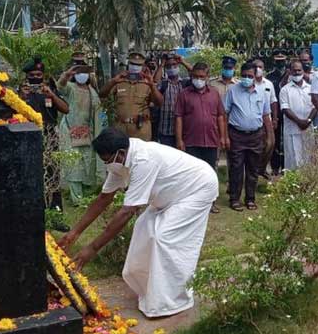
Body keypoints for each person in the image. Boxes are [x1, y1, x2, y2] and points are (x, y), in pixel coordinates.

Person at [58, 128, 218, 318]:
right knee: (143, 229)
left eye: (108, 160)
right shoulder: (118, 160)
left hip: (196, 188)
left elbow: (127, 212)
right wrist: (74, 232)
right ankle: (149, 289)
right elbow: (104, 198)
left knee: (163, 238)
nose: (107, 165)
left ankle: (171, 301)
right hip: (170, 194)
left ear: (121, 153)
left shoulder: (143, 160)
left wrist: (92, 249)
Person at [174, 62, 227, 214]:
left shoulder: (214, 93)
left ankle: (210, 203)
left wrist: (223, 137)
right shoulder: (184, 94)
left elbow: (220, 116)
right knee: (191, 174)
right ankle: (192, 204)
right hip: (191, 141)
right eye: (195, 76)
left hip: (211, 140)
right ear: (191, 77)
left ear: (207, 77)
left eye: (202, 77)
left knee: (210, 173)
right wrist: (179, 140)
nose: (198, 79)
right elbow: (178, 118)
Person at [223, 61, 274, 211]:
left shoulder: (261, 92)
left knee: (253, 169)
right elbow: (224, 114)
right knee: (236, 168)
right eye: (244, 75)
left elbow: (266, 115)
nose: (246, 78)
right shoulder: (233, 91)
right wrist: (224, 136)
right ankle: (234, 199)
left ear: (255, 76)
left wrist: (270, 135)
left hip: (256, 135)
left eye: (249, 76)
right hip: (236, 135)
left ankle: (250, 199)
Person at [20, 57, 69, 212]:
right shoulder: (20, 91)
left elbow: (66, 109)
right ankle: (35, 209)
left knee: (53, 173)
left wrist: (52, 95)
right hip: (27, 135)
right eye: (32, 75)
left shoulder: (50, 89)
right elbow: (11, 111)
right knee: (31, 172)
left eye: (38, 75)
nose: (35, 78)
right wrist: (21, 97)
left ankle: (56, 211)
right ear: (26, 77)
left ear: (43, 75)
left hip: (49, 135)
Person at [57, 59, 105, 206]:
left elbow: (97, 113)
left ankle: (86, 193)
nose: (81, 75)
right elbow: (60, 87)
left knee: (87, 162)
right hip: (70, 130)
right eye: (79, 73)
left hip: (87, 132)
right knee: (73, 163)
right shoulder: (70, 88)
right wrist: (66, 75)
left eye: (84, 72)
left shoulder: (92, 92)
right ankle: (76, 197)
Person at [100, 52, 163, 141]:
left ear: (143, 67)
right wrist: (113, 81)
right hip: (120, 129)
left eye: (138, 65)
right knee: (120, 153)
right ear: (128, 64)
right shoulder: (119, 81)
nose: (135, 67)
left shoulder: (147, 83)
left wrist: (152, 85)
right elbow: (102, 94)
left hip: (141, 131)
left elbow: (159, 102)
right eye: (132, 64)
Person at [279, 60, 316, 170]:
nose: (297, 72)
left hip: (308, 130)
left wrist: (308, 121)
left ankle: (308, 185)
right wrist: (299, 122)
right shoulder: (285, 89)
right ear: (290, 71)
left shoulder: (310, 88)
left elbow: (315, 106)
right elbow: (285, 108)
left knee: (308, 159)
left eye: (299, 70)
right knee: (293, 160)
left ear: (304, 71)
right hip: (292, 130)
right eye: (294, 70)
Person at [156, 53, 193, 148]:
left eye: (174, 65)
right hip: (166, 131)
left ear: (178, 66)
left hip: (184, 131)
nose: (172, 68)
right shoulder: (163, 84)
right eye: (168, 66)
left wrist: (182, 61)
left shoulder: (185, 83)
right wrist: (162, 64)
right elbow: (155, 82)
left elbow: (197, 74)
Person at [251, 58, 278, 178]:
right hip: (254, 120)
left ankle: (262, 168)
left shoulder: (268, 84)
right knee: (257, 146)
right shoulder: (249, 84)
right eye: (256, 67)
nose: (258, 69)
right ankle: (254, 170)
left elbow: (273, 102)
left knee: (270, 144)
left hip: (267, 119)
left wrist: (275, 118)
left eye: (260, 67)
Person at [267, 50, 288, 175]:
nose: (280, 62)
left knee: (286, 141)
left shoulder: (291, 74)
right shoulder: (270, 77)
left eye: (282, 60)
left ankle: (286, 166)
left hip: (289, 113)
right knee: (274, 141)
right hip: (275, 112)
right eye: (278, 60)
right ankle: (275, 167)